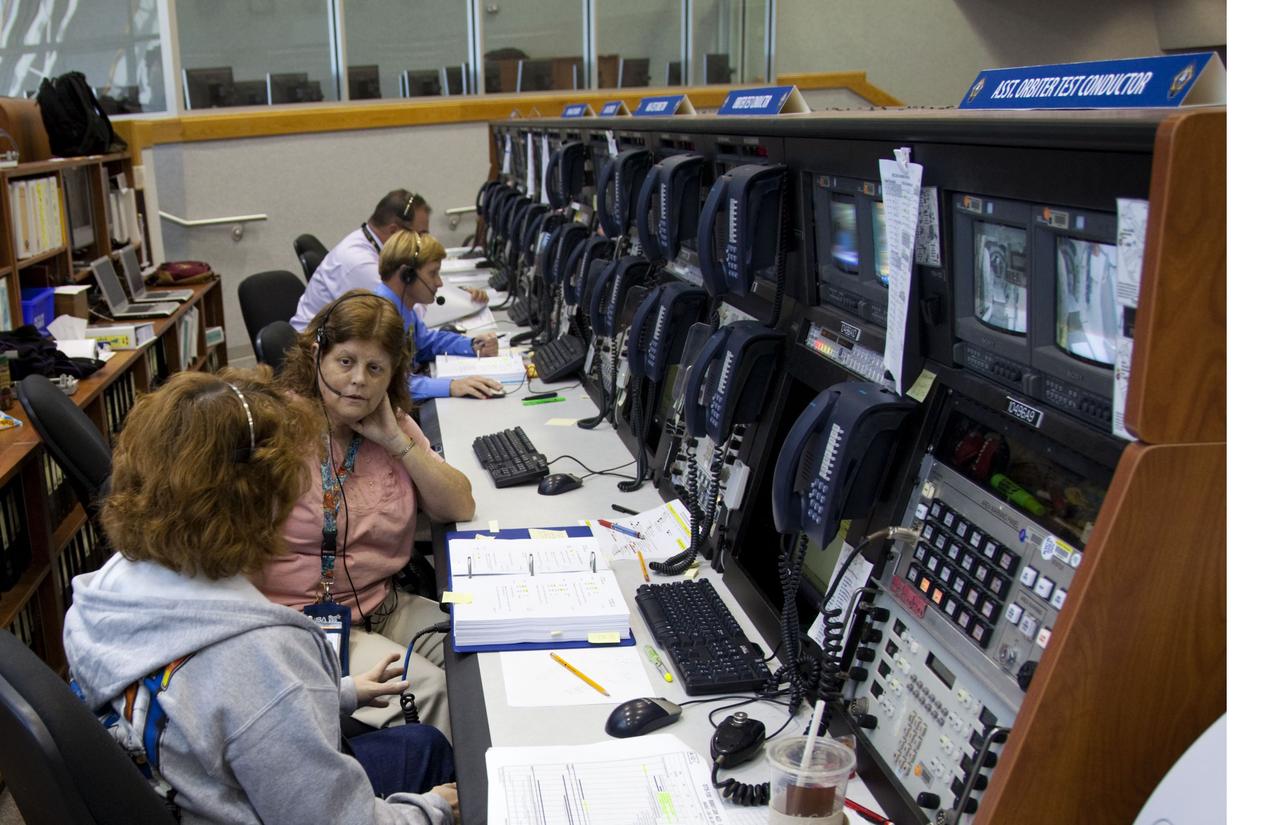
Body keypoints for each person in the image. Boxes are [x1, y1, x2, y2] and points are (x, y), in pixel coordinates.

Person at [62, 368, 459, 824]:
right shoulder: (261, 655)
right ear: (264, 502)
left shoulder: (106, 588)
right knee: (439, 764)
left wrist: (337, 694)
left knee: (420, 745)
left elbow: (209, 712)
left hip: (185, 788)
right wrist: (434, 810)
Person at [259, 290, 476, 733]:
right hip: (303, 624)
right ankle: (459, 797)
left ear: (391, 374)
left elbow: (460, 504)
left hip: (383, 602)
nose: (359, 380)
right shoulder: (275, 430)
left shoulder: (392, 425)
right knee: (430, 690)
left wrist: (397, 441)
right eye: (345, 362)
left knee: (478, 645)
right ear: (318, 355)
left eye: (375, 368)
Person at [291, 187, 491, 333]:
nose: (424, 241)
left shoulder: (372, 246)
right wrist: (460, 303)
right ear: (394, 231)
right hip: (317, 356)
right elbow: (407, 315)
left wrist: (459, 294)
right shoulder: (358, 263)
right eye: (420, 234)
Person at [373, 229, 506, 400]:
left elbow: (426, 343)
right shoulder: (380, 317)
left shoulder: (403, 308)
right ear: (407, 275)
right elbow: (390, 385)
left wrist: (472, 346)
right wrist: (452, 386)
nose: (439, 282)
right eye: (433, 273)